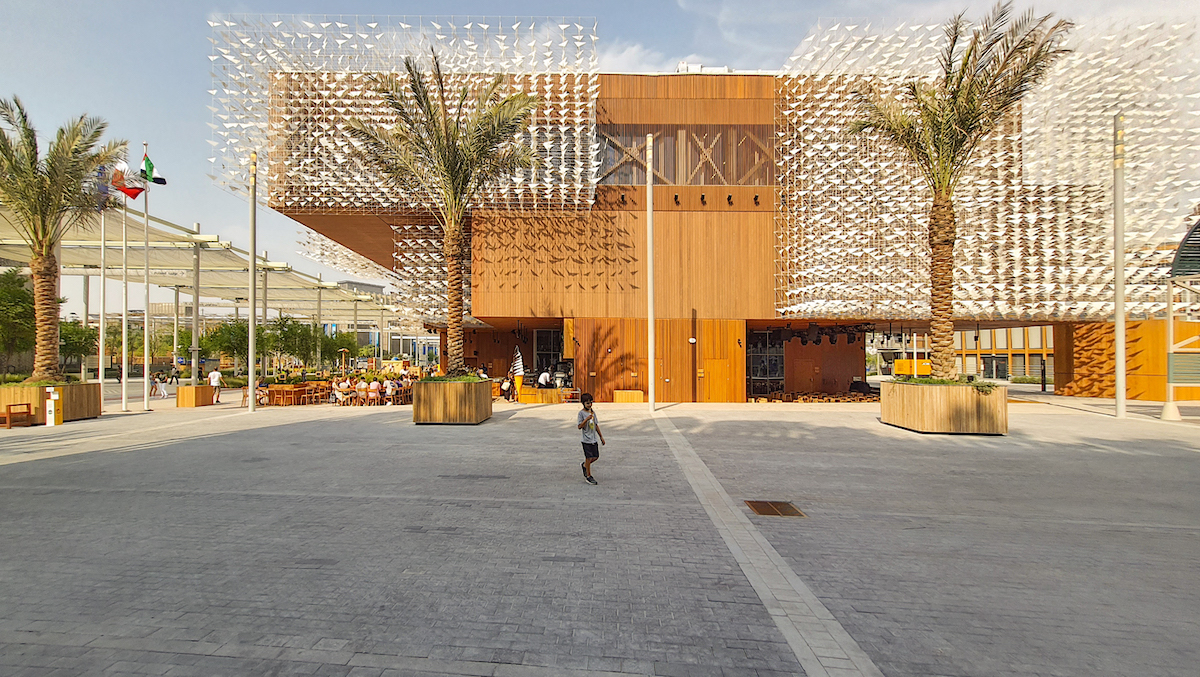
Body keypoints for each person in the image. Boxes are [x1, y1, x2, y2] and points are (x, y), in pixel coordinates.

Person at [577, 393, 605, 485]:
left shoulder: (593, 413)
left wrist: (601, 437)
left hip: (593, 439)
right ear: (583, 403)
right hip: (586, 440)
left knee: (596, 456)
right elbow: (579, 426)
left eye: (591, 403)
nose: (589, 405)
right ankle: (588, 476)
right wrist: (586, 420)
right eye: (587, 403)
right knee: (588, 457)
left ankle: (585, 465)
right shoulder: (581, 413)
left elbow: (596, 425)